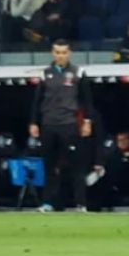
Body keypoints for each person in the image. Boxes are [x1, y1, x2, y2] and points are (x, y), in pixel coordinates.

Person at [28, 40, 93, 212]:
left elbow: (86, 100)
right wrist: (34, 122)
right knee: (49, 165)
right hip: (49, 124)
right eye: (57, 52)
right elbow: (37, 101)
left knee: (76, 165)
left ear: (69, 53)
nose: (60, 56)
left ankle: (81, 204)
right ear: (52, 53)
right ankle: (47, 203)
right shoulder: (45, 73)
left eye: (64, 52)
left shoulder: (78, 72)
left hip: (69, 124)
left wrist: (87, 121)